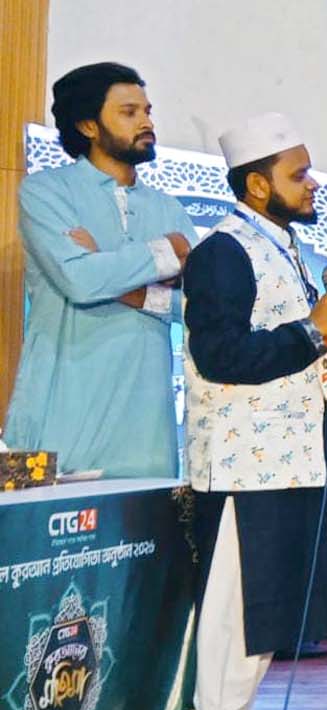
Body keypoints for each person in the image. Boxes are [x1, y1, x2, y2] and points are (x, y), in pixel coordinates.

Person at [182, 112, 327, 710]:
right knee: (236, 609)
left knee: (265, 608)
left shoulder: (283, 247)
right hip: (244, 466)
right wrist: (311, 331)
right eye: (299, 173)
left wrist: (319, 341)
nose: (313, 183)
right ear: (258, 185)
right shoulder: (223, 252)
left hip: (290, 459)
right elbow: (219, 354)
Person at [5, 62, 195, 477]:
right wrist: (166, 251)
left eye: (147, 111)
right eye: (129, 112)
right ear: (88, 126)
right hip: (56, 419)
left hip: (147, 435)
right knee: (32, 519)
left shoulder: (168, 208)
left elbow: (196, 307)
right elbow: (80, 280)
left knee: (149, 521)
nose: (146, 122)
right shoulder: (45, 191)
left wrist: (127, 286)